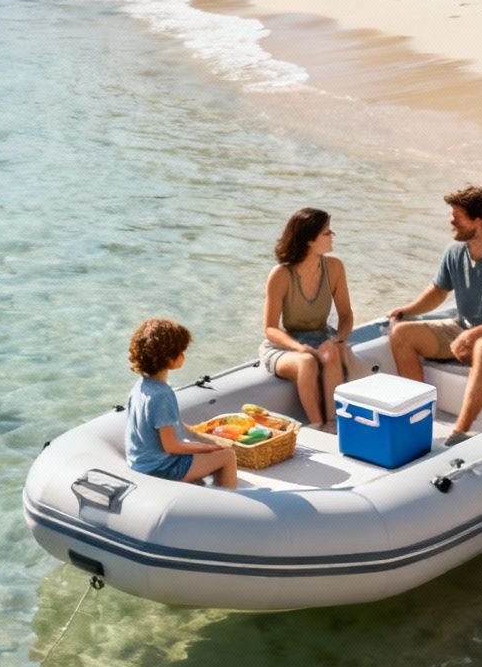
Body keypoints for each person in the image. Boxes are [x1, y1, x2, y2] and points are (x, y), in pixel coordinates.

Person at [385, 184, 482, 447]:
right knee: (402, 333)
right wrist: (408, 310)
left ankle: (459, 432)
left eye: (457, 215)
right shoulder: (455, 253)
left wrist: (474, 335)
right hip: (463, 327)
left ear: (479, 220)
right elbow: (438, 292)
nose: (451, 220)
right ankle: (420, 418)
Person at [259, 207, 356, 430]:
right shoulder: (281, 274)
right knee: (307, 361)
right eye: (327, 232)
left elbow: (346, 315)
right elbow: (271, 328)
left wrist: (338, 339)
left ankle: (333, 423)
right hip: (285, 346)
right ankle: (316, 424)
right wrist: (300, 348)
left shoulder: (334, 267)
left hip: (323, 337)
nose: (333, 236)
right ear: (309, 239)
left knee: (332, 351)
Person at [125, 318, 237, 488]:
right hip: (160, 469)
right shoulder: (162, 395)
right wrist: (206, 448)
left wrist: (199, 436)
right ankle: (228, 505)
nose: (184, 355)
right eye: (181, 351)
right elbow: (171, 446)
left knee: (206, 458)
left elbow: (166, 426)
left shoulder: (141, 386)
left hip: (140, 464)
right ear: (168, 358)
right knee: (227, 456)